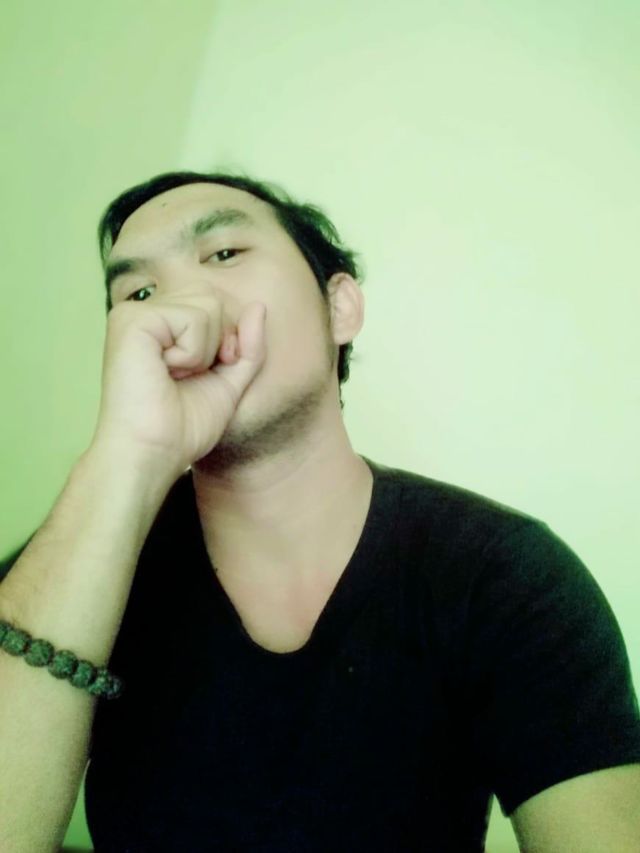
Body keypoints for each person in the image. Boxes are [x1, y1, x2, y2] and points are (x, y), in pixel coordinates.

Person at [2, 170, 640, 852]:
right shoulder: (73, 563)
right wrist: (129, 454)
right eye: (138, 293)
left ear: (340, 307)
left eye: (224, 253)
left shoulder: (504, 572)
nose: (180, 304)